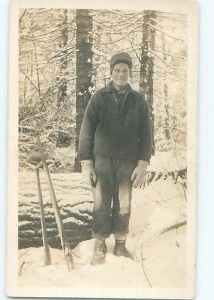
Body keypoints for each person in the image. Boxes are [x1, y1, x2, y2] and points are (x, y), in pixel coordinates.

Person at [78, 52, 152, 265]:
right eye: (117, 70)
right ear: (111, 72)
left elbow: (146, 133)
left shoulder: (138, 101)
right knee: (101, 202)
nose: (121, 74)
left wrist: (143, 164)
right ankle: (100, 242)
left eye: (125, 71)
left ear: (130, 73)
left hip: (128, 162)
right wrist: (87, 163)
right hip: (102, 160)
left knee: (124, 204)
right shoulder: (99, 98)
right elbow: (87, 131)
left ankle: (120, 243)